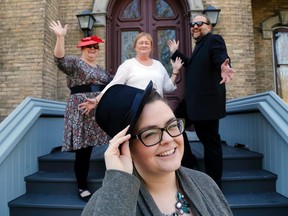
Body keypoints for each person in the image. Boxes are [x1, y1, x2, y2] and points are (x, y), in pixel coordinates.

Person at [81, 81, 233, 216]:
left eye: (172, 125)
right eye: (151, 134)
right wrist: (119, 185)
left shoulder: (205, 184)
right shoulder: (106, 203)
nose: (168, 139)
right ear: (125, 147)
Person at [167, 14, 235, 188]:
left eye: (199, 23)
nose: (195, 26)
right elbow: (192, 64)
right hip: (192, 102)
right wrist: (176, 53)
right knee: (174, 124)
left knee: (210, 143)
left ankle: (214, 184)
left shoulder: (214, 40)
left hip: (206, 104)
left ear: (209, 27)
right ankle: (189, 160)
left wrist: (223, 66)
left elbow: (219, 55)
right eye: (192, 24)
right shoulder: (199, 47)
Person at [49, 20, 113, 202]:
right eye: (88, 47)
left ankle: (114, 181)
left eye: (95, 47)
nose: (92, 49)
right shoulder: (75, 63)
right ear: (82, 49)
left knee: (114, 143)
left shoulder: (100, 70)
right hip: (81, 110)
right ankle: (82, 187)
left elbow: (114, 81)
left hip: (99, 109)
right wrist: (60, 38)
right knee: (84, 151)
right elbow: (59, 60)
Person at [78, 32, 183, 114]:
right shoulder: (128, 65)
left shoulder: (158, 65)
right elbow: (114, 85)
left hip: (157, 110)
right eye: (140, 43)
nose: (144, 45)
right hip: (135, 111)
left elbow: (168, 87)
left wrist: (175, 71)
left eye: (147, 43)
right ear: (135, 47)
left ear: (151, 47)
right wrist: (96, 100)